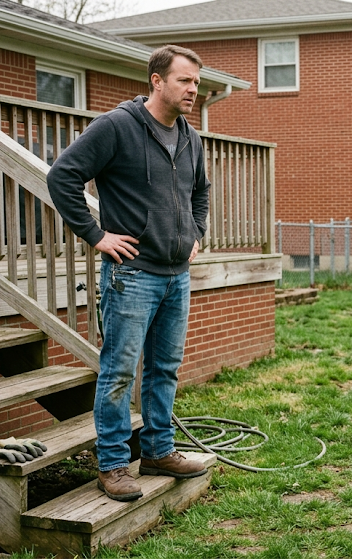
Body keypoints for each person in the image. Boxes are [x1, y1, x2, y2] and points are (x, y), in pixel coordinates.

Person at [47, 45, 210, 502]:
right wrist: (97, 236)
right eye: (184, 80)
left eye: (196, 82)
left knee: (164, 370)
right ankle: (114, 465)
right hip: (132, 275)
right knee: (118, 371)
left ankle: (159, 451)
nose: (193, 89)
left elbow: (200, 191)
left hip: (177, 275)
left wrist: (197, 232)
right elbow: (63, 176)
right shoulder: (117, 126)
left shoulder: (190, 137)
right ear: (157, 81)